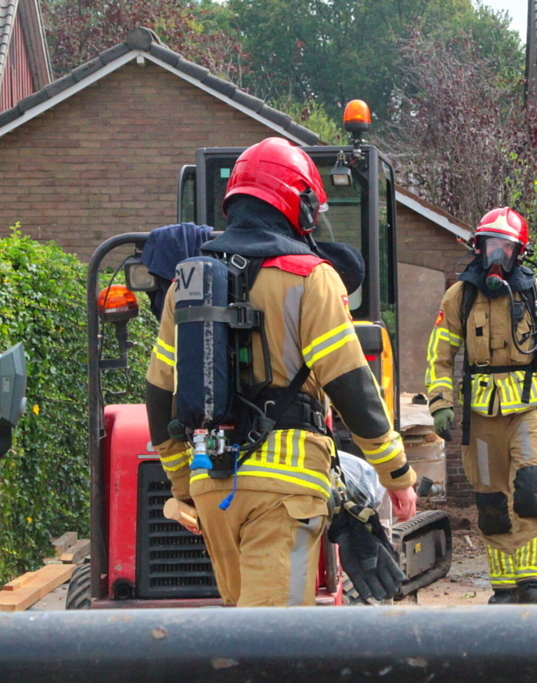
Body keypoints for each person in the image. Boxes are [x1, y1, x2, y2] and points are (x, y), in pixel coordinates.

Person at [145, 137, 417, 607]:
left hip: (212, 486)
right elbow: (351, 386)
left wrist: (182, 483)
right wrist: (396, 473)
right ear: (301, 206)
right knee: (273, 648)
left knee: (242, 636)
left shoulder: (185, 284)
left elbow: (158, 394)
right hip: (285, 492)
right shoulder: (310, 275)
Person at [424, 207, 537, 605]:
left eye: (504, 246)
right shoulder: (460, 296)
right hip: (482, 416)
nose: (495, 254)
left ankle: (533, 582)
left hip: (530, 410)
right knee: (491, 501)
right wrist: (439, 403)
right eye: (489, 245)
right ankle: (503, 585)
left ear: (519, 252)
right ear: (478, 248)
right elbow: (439, 355)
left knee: (530, 489)